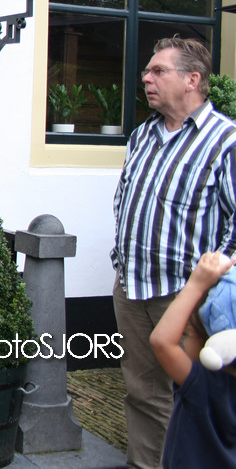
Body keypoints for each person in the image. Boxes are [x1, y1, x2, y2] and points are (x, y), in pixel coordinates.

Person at [112, 36, 236, 469]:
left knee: (194, 394)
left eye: (158, 71)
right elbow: (125, 199)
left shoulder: (226, 141)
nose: (146, 78)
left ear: (192, 80)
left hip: (186, 297)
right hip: (132, 286)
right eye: (147, 70)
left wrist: (211, 281)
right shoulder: (143, 134)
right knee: (142, 393)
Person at [150, 251, 236, 468]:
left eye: (188, 335)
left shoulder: (202, 384)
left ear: (209, 343)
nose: (184, 342)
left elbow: (162, 342)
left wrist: (196, 285)